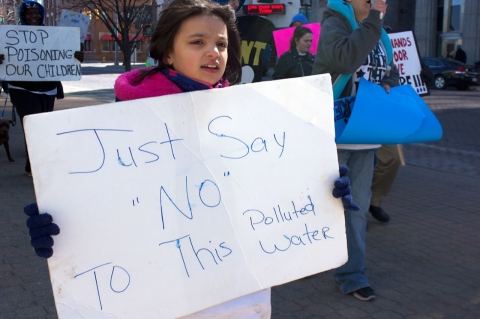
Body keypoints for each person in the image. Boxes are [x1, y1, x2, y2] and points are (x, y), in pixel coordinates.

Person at [23, 0, 357, 317]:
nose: (214, 52)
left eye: (222, 45)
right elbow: (109, 208)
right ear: (168, 52)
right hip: (157, 299)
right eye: (198, 42)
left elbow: (270, 191)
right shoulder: (119, 129)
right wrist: (63, 226)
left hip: (242, 296)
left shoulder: (254, 119)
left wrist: (319, 189)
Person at [312, 0, 399, 301]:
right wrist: (374, 20)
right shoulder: (334, 23)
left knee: (356, 209)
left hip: (364, 138)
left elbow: (392, 73)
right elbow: (346, 60)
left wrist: (388, 81)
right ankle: (304, 252)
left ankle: (351, 275)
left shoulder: (381, 35)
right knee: (319, 203)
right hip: (331, 136)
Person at [0, 0, 84, 177]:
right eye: (29, 13)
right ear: (22, 16)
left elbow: (65, 55)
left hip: (48, 89)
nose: (33, 16)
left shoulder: (54, 35)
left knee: (44, 127)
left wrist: (77, 56)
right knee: (34, 125)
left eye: (37, 13)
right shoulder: (11, 36)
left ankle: (32, 166)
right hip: (21, 89)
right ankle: (39, 168)